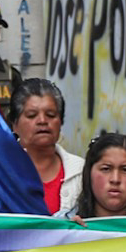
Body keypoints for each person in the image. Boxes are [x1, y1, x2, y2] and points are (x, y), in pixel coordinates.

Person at [8, 77, 80, 217]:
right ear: (15, 124)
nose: (42, 121)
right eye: (32, 115)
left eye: (50, 115)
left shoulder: (81, 172)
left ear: (60, 122)